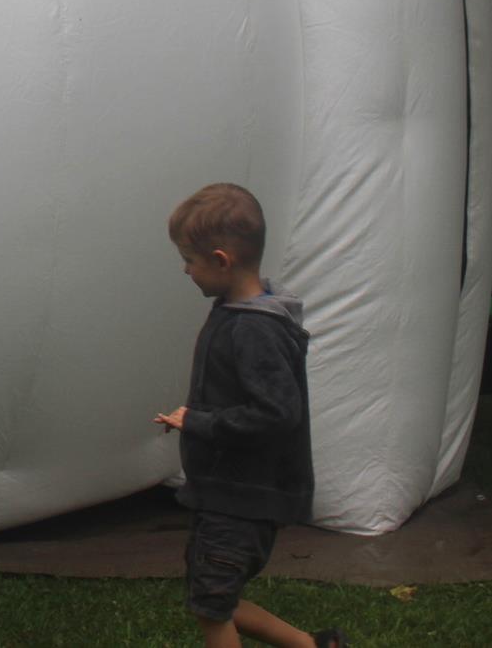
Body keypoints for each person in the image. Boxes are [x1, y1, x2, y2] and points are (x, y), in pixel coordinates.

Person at [154, 183, 347, 648]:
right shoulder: (236, 311)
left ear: (221, 261)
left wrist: (199, 423)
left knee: (212, 608)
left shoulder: (254, 329)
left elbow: (277, 414)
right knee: (214, 597)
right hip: (224, 492)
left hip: (242, 498)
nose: (185, 269)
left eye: (189, 260)